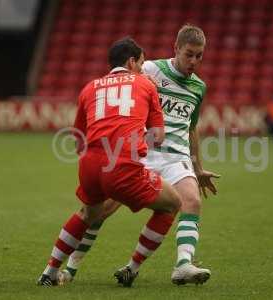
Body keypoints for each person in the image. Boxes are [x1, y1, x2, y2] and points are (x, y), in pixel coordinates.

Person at [58, 24, 220, 286]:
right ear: (176, 48)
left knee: (191, 200)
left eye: (199, 56)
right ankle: (70, 269)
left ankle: (180, 265)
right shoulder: (151, 69)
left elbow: (191, 128)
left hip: (175, 157)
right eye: (189, 54)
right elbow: (118, 87)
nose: (194, 61)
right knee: (99, 210)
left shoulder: (199, 87)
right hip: (139, 153)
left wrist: (198, 167)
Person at [37, 37, 182, 286]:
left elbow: (78, 140)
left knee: (87, 213)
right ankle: (132, 268)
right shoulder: (145, 85)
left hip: (91, 164)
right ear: (131, 61)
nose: (142, 68)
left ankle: (50, 272)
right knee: (172, 203)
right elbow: (157, 137)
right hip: (124, 162)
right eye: (141, 62)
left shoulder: (89, 88)